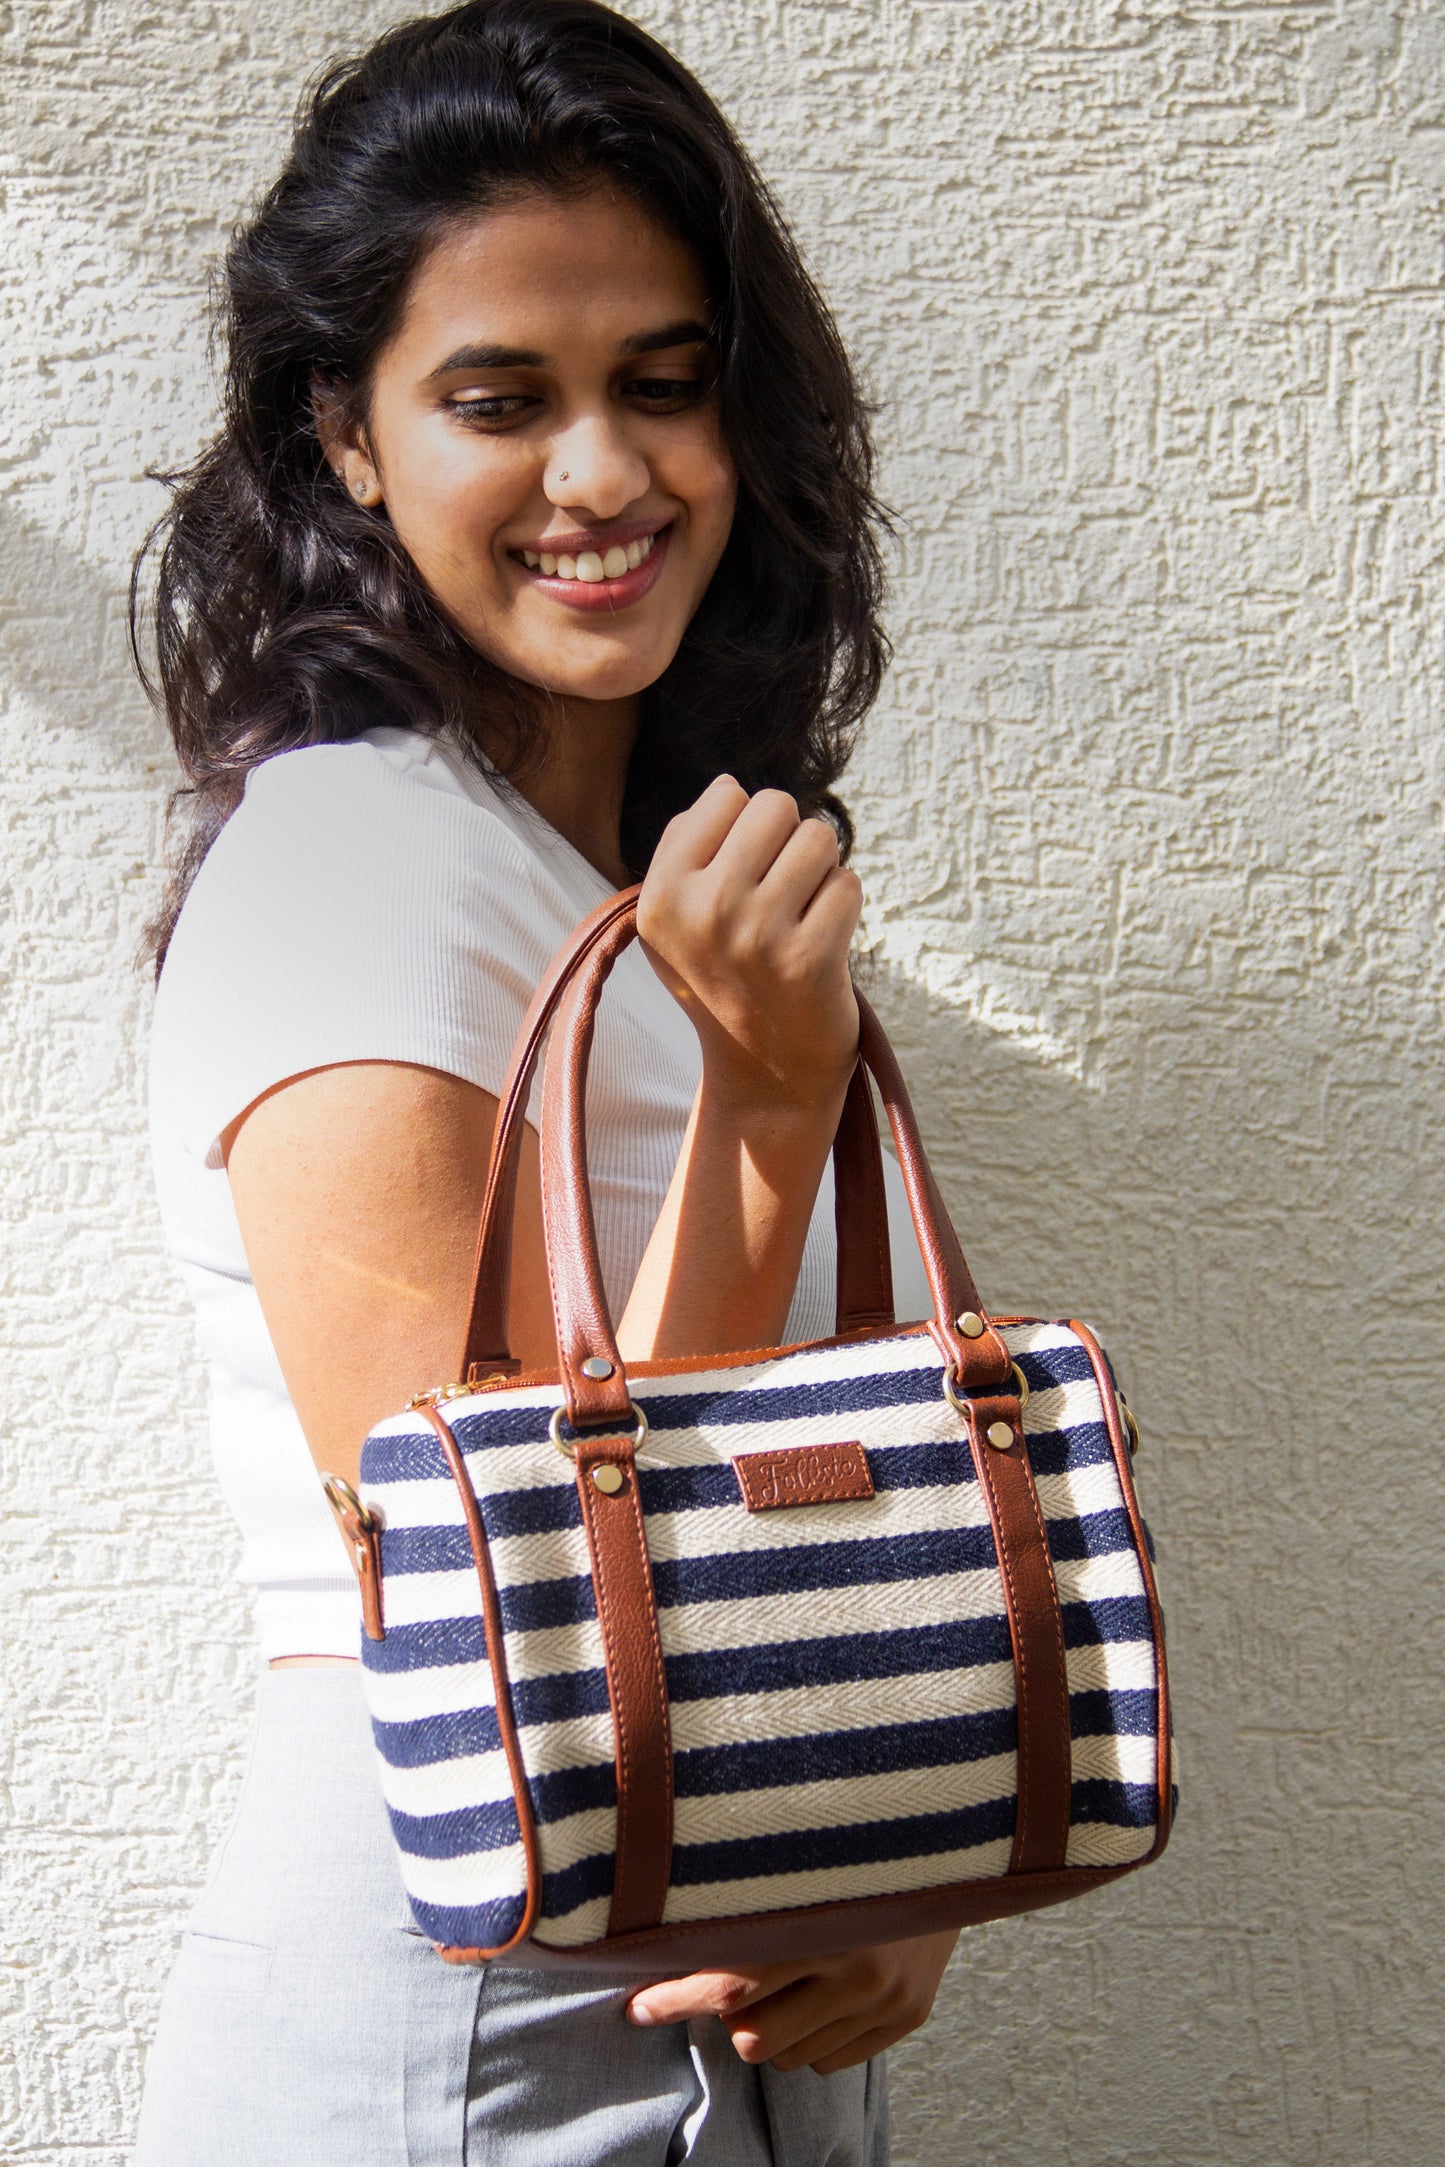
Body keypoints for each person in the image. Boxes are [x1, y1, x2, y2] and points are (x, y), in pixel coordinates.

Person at [131, 4, 956, 2159]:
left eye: (662, 387)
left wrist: (896, 1885)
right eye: (500, 400)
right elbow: (481, 1602)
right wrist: (768, 1116)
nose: (605, 475)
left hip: (717, 1986)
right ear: (345, 438)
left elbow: (812, 1498)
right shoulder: (354, 866)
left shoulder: (621, 883)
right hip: (465, 2024)